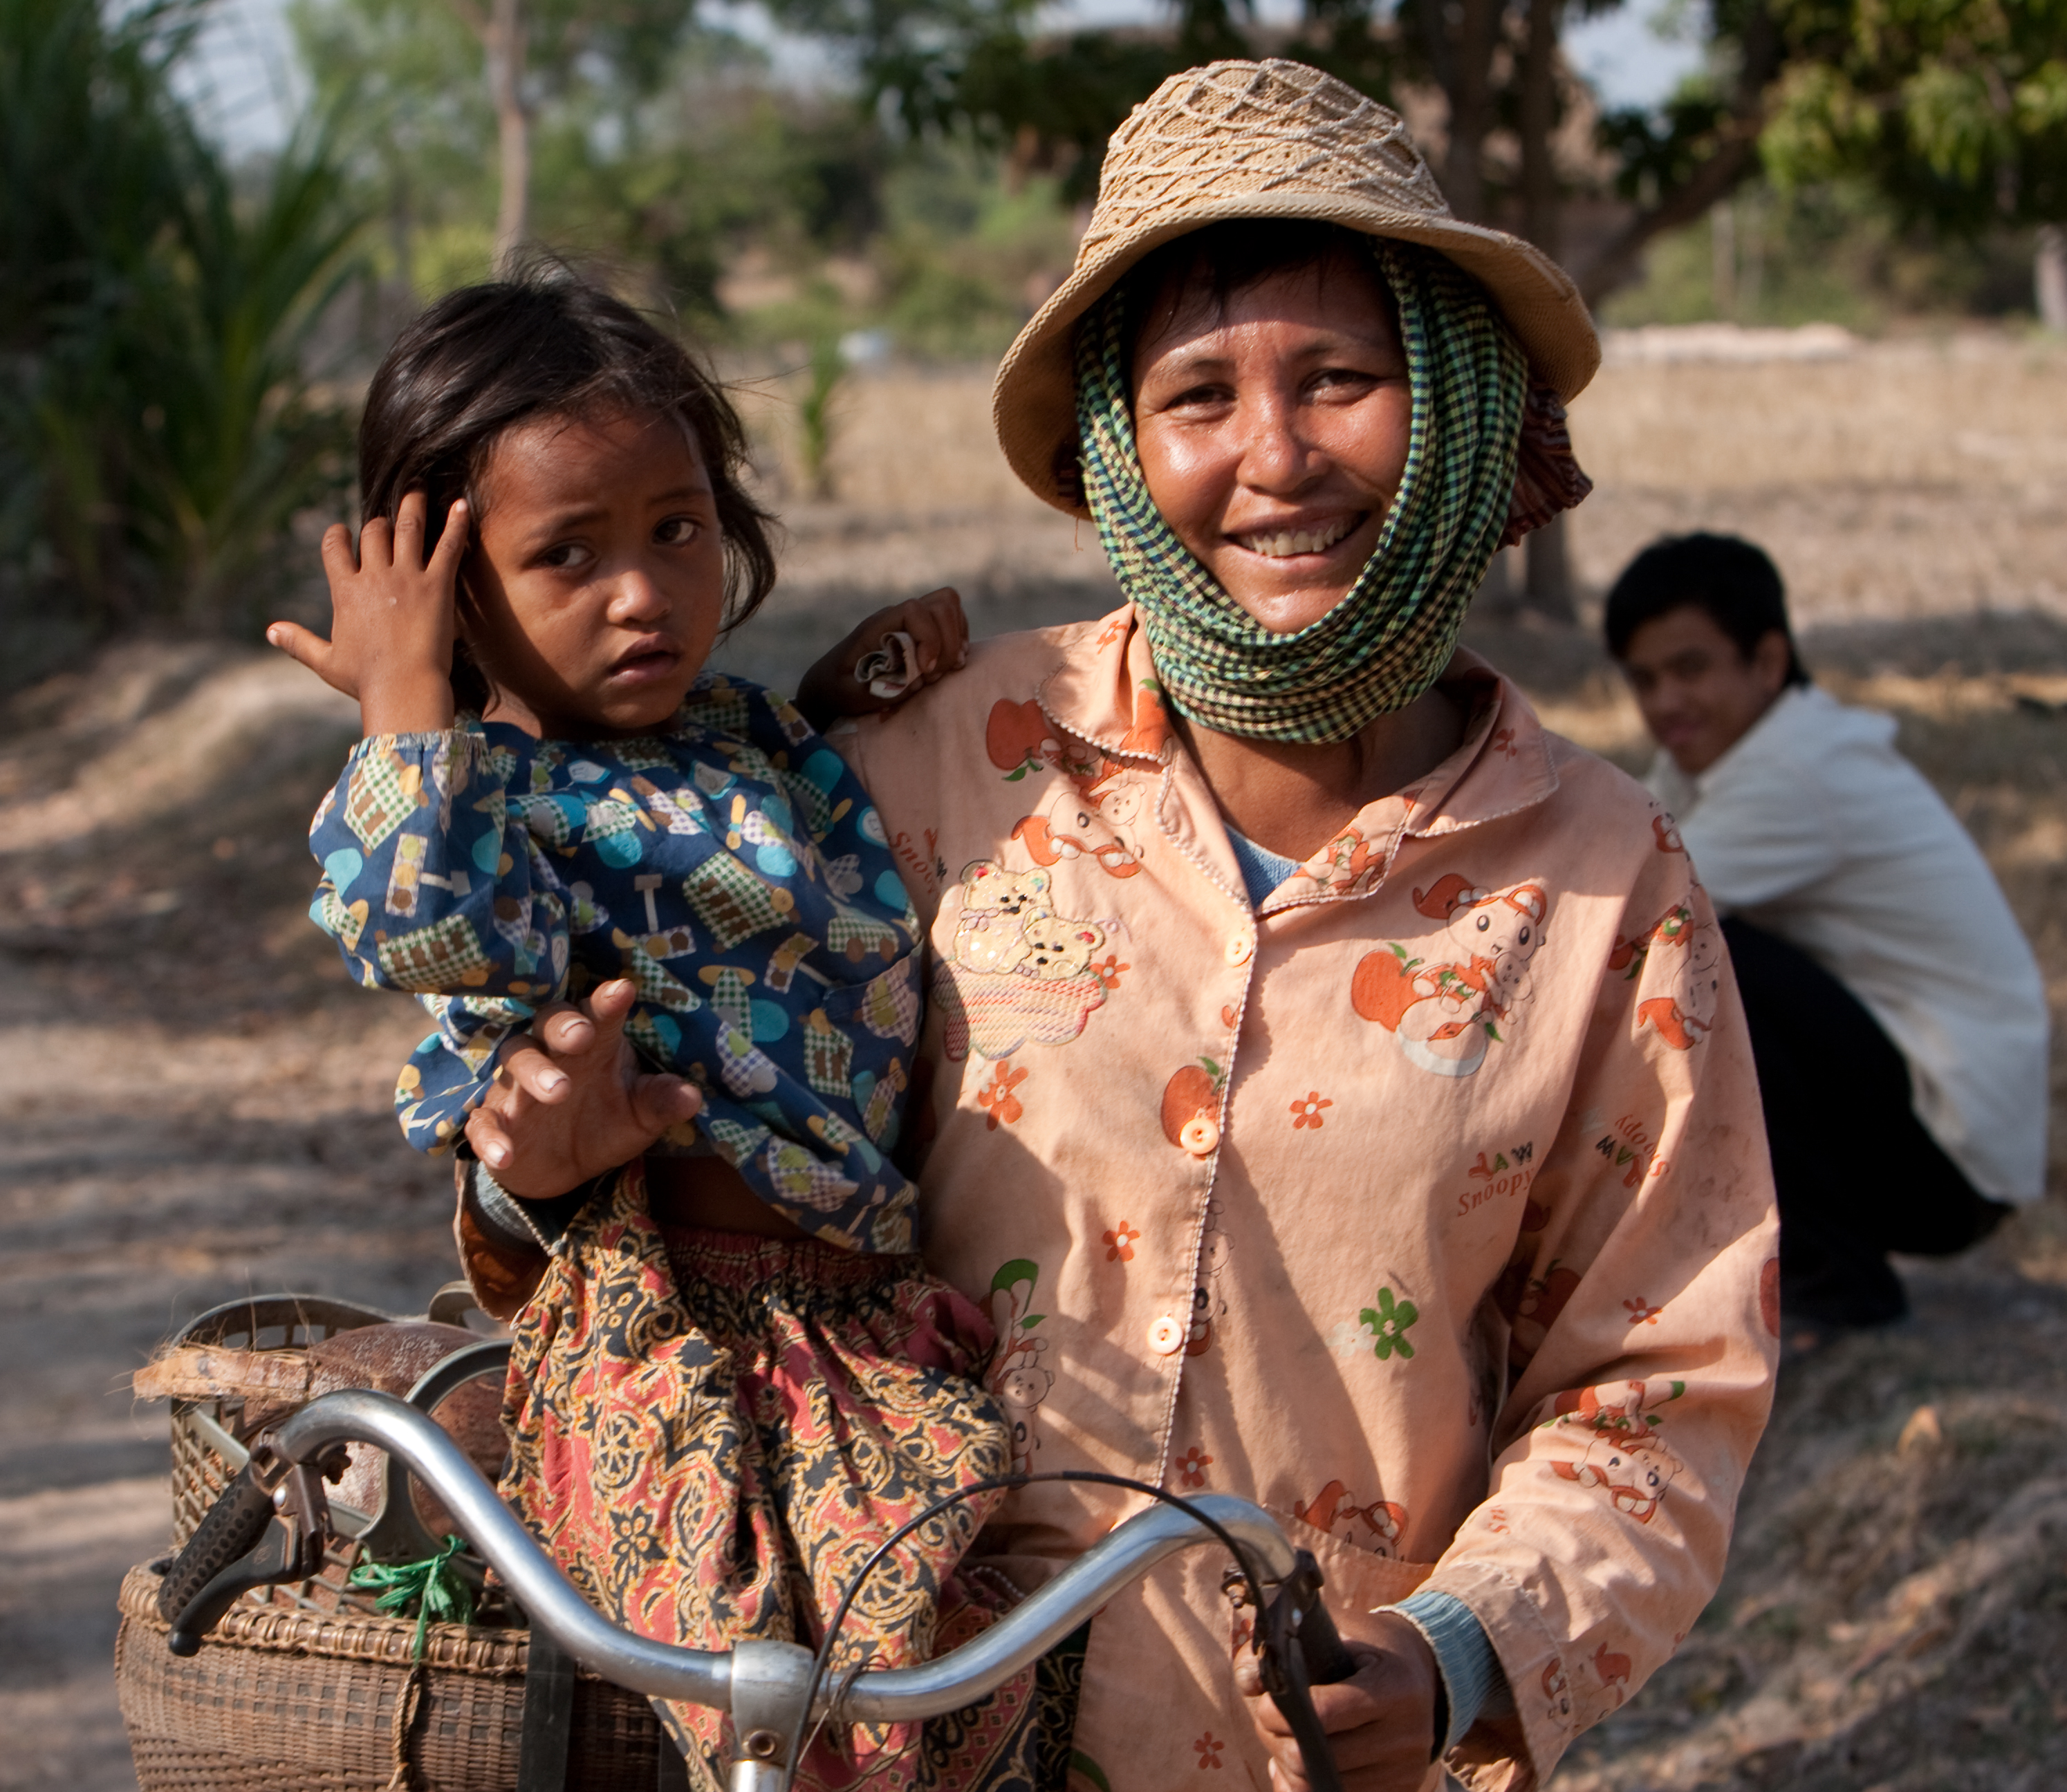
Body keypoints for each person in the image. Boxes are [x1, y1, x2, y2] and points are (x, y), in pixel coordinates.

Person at [455, 60, 1779, 1792]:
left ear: (1450, 400)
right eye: (1195, 396)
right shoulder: (918, 770)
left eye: (1340, 379)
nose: (1275, 458)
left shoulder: (1608, 886)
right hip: (892, 1728)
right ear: (1117, 449)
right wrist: (526, 1175)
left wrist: (1461, 1649)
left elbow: (1659, 1377)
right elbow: (691, 1188)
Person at [274, 270, 1062, 1791]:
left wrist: (862, 692)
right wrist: (402, 710)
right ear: (452, 586)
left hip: (868, 1320)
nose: (642, 592)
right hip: (675, 1342)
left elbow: (789, 879)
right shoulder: (478, 796)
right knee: (796, 1723)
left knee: (966, 1702)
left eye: (676, 529)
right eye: (566, 554)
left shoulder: (749, 734)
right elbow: (409, 927)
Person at [1607, 532, 2048, 1342]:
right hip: (1921, 1122)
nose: (1666, 700)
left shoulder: (1793, 773)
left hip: (1950, 1165)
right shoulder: (1728, 756)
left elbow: (1618, 916)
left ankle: (1838, 1283)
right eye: (1645, 679)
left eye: (1691, 669)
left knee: (1693, 951)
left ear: (1768, 662)